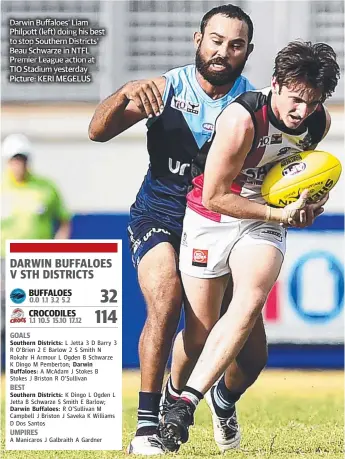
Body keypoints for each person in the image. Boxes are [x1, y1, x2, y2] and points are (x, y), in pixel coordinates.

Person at [88, 4, 267, 455]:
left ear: (248, 51)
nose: (224, 51)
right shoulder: (165, 89)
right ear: (197, 39)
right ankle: (147, 426)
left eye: (236, 44)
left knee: (251, 355)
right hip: (161, 216)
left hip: (217, 225)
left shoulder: (255, 106)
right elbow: (96, 132)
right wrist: (125, 91)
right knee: (165, 301)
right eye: (216, 40)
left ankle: (222, 402)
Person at [158, 40, 340, 452]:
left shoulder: (317, 122)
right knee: (200, 334)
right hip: (211, 217)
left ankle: (190, 404)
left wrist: (309, 204)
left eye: (311, 104)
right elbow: (214, 197)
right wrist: (279, 215)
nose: (300, 112)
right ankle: (174, 395)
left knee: (250, 300)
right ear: (275, 84)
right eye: (294, 100)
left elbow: (299, 177)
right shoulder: (241, 120)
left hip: (261, 222)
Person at [1, 133, 71, 370]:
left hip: (37, 262)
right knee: (4, 317)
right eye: (14, 159)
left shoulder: (45, 187)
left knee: (34, 316)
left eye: (22, 158)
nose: (19, 164)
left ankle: (32, 367)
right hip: (4, 261)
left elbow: (63, 220)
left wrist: (58, 247)